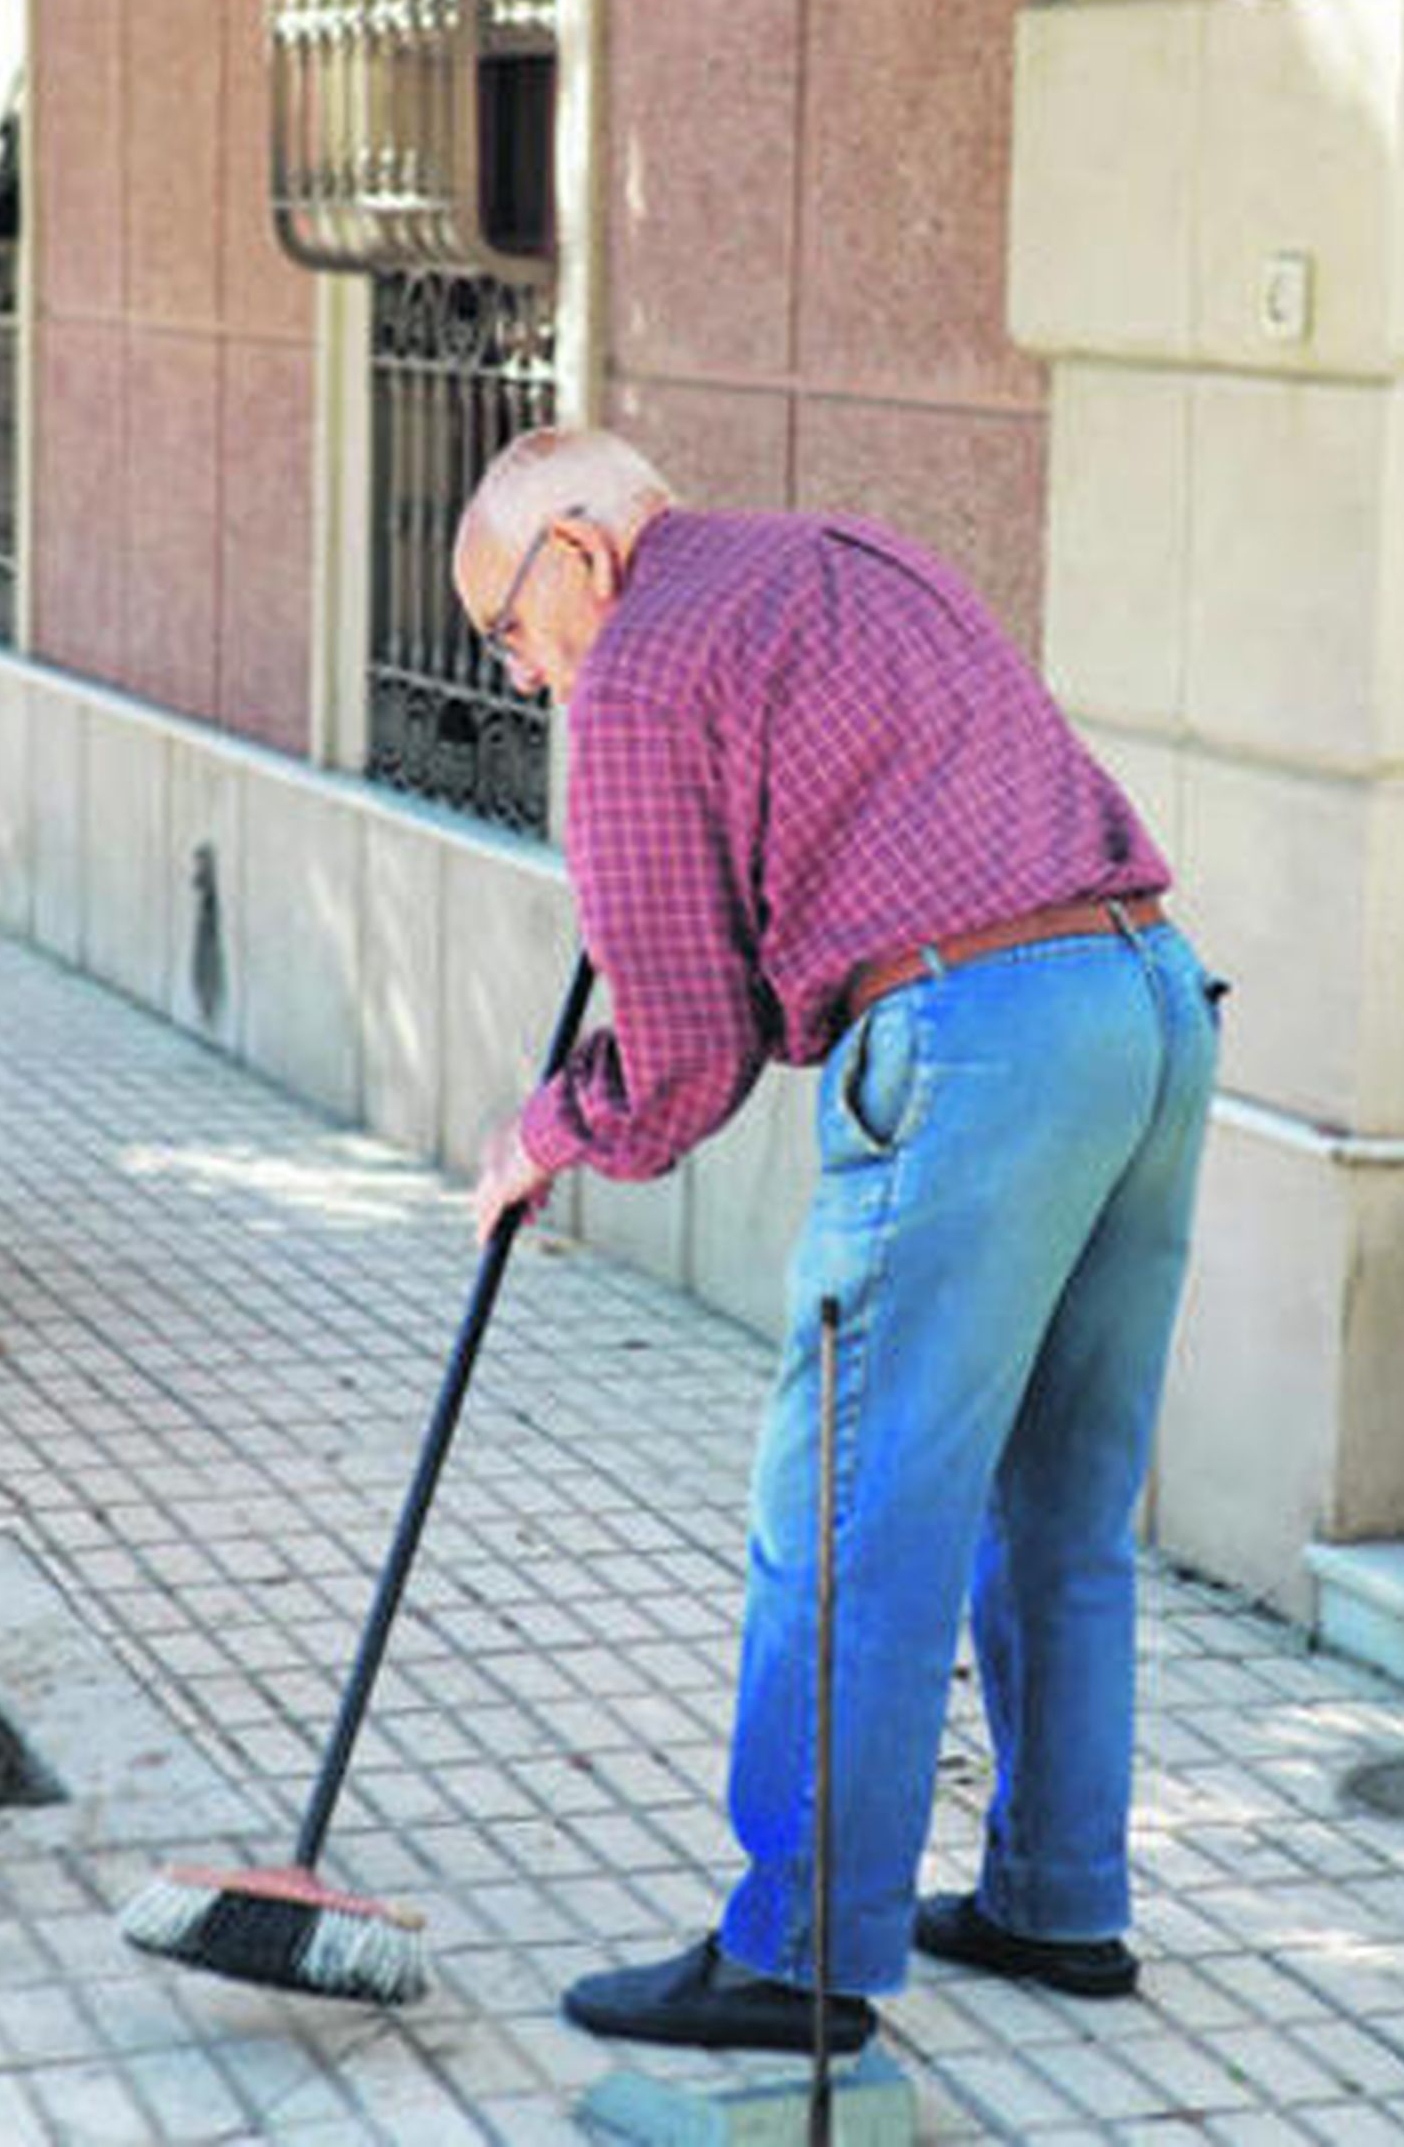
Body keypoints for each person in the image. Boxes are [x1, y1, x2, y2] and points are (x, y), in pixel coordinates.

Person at [454, 427, 1220, 2054]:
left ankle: (799, 1955)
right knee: (1064, 1496)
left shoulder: (638, 671)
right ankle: (1057, 1897)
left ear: (578, 554)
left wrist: (549, 1132)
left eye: (509, 630)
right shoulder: (842, 556)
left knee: (846, 1513)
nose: (521, 675)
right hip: (1148, 999)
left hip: (979, 1046)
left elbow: (684, 1050)